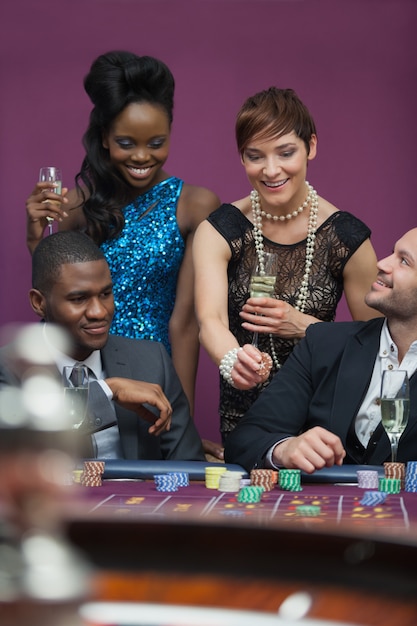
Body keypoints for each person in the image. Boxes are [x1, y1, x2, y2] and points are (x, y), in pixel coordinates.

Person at [25, 50, 222, 459]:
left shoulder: (194, 204)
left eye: (157, 142)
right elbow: (55, 299)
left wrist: (178, 425)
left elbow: (184, 322)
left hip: (155, 375)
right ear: (103, 139)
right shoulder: (77, 205)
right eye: (126, 143)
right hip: (89, 365)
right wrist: (36, 238)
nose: (142, 157)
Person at [193, 87, 381, 445]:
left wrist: (304, 326)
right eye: (255, 156)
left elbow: (374, 344)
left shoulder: (346, 237)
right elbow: (210, 321)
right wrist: (233, 359)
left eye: (286, 152)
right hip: (244, 414)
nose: (271, 169)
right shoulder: (219, 231)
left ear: (311, 146)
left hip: (323, 418)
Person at [0, 231, 205, 461]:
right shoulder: (10, 368)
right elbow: (25, 450)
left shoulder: (152, 361)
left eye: (106, 294)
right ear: (39, 302)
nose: (99, 312)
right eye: (79, 299)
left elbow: (190, 467)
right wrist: (107, 391)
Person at [224, 227, 417, 472]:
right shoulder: (324, 344)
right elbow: (244, 441)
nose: (382, 263)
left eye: (404, 261)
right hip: (319, 510)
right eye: (392, 252)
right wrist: (283, 449)